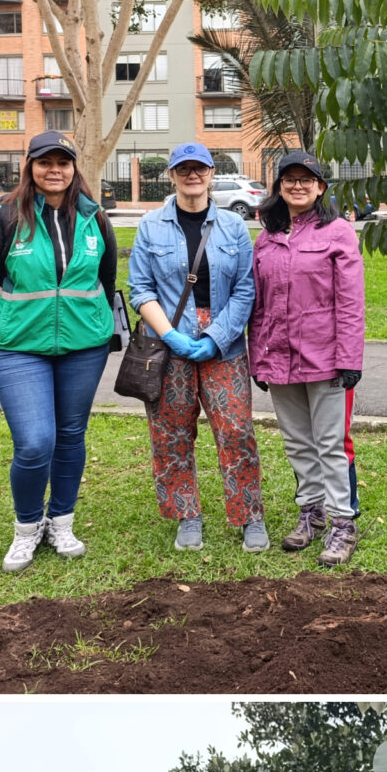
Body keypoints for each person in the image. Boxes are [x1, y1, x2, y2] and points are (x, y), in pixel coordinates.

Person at [0, 130, 124, 571]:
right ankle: (27, 526)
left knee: (71, 435)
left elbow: (105, 281)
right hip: (19, 347)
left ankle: (62, 520)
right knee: (36, 443)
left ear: (75, 169)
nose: (55, 170)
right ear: (30, 167)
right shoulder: (5, 218)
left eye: (63, 162)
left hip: (83, 348)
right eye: (45, 162)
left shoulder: (96, 218)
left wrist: (92, 327)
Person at [129, 141, 265, 551]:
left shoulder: (233, 227)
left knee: (236, 429)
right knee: (171, 432)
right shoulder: (151, 226)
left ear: (210, 174)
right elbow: (140, 288)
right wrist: (169, 334)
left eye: (200, 168)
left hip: (223, 341)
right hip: (167, 339)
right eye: (183, 169)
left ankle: (249, 516)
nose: (192, 176)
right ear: (171, 175)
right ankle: (187, 515)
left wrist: (216, 337)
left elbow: (245, 289)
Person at [249, 149, 366, 565]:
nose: (297, 185)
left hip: (326, 358)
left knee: (330, 445)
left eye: (307, 179)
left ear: (320, 187)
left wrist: (350, 358)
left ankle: (342, 523)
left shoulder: (337, 232)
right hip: (278, 358)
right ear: (279, 186)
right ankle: (310, 512)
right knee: (298, 444)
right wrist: (257, 360)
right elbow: (259, 305)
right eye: (289, 179)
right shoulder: (267, 235)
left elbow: (351, 302)